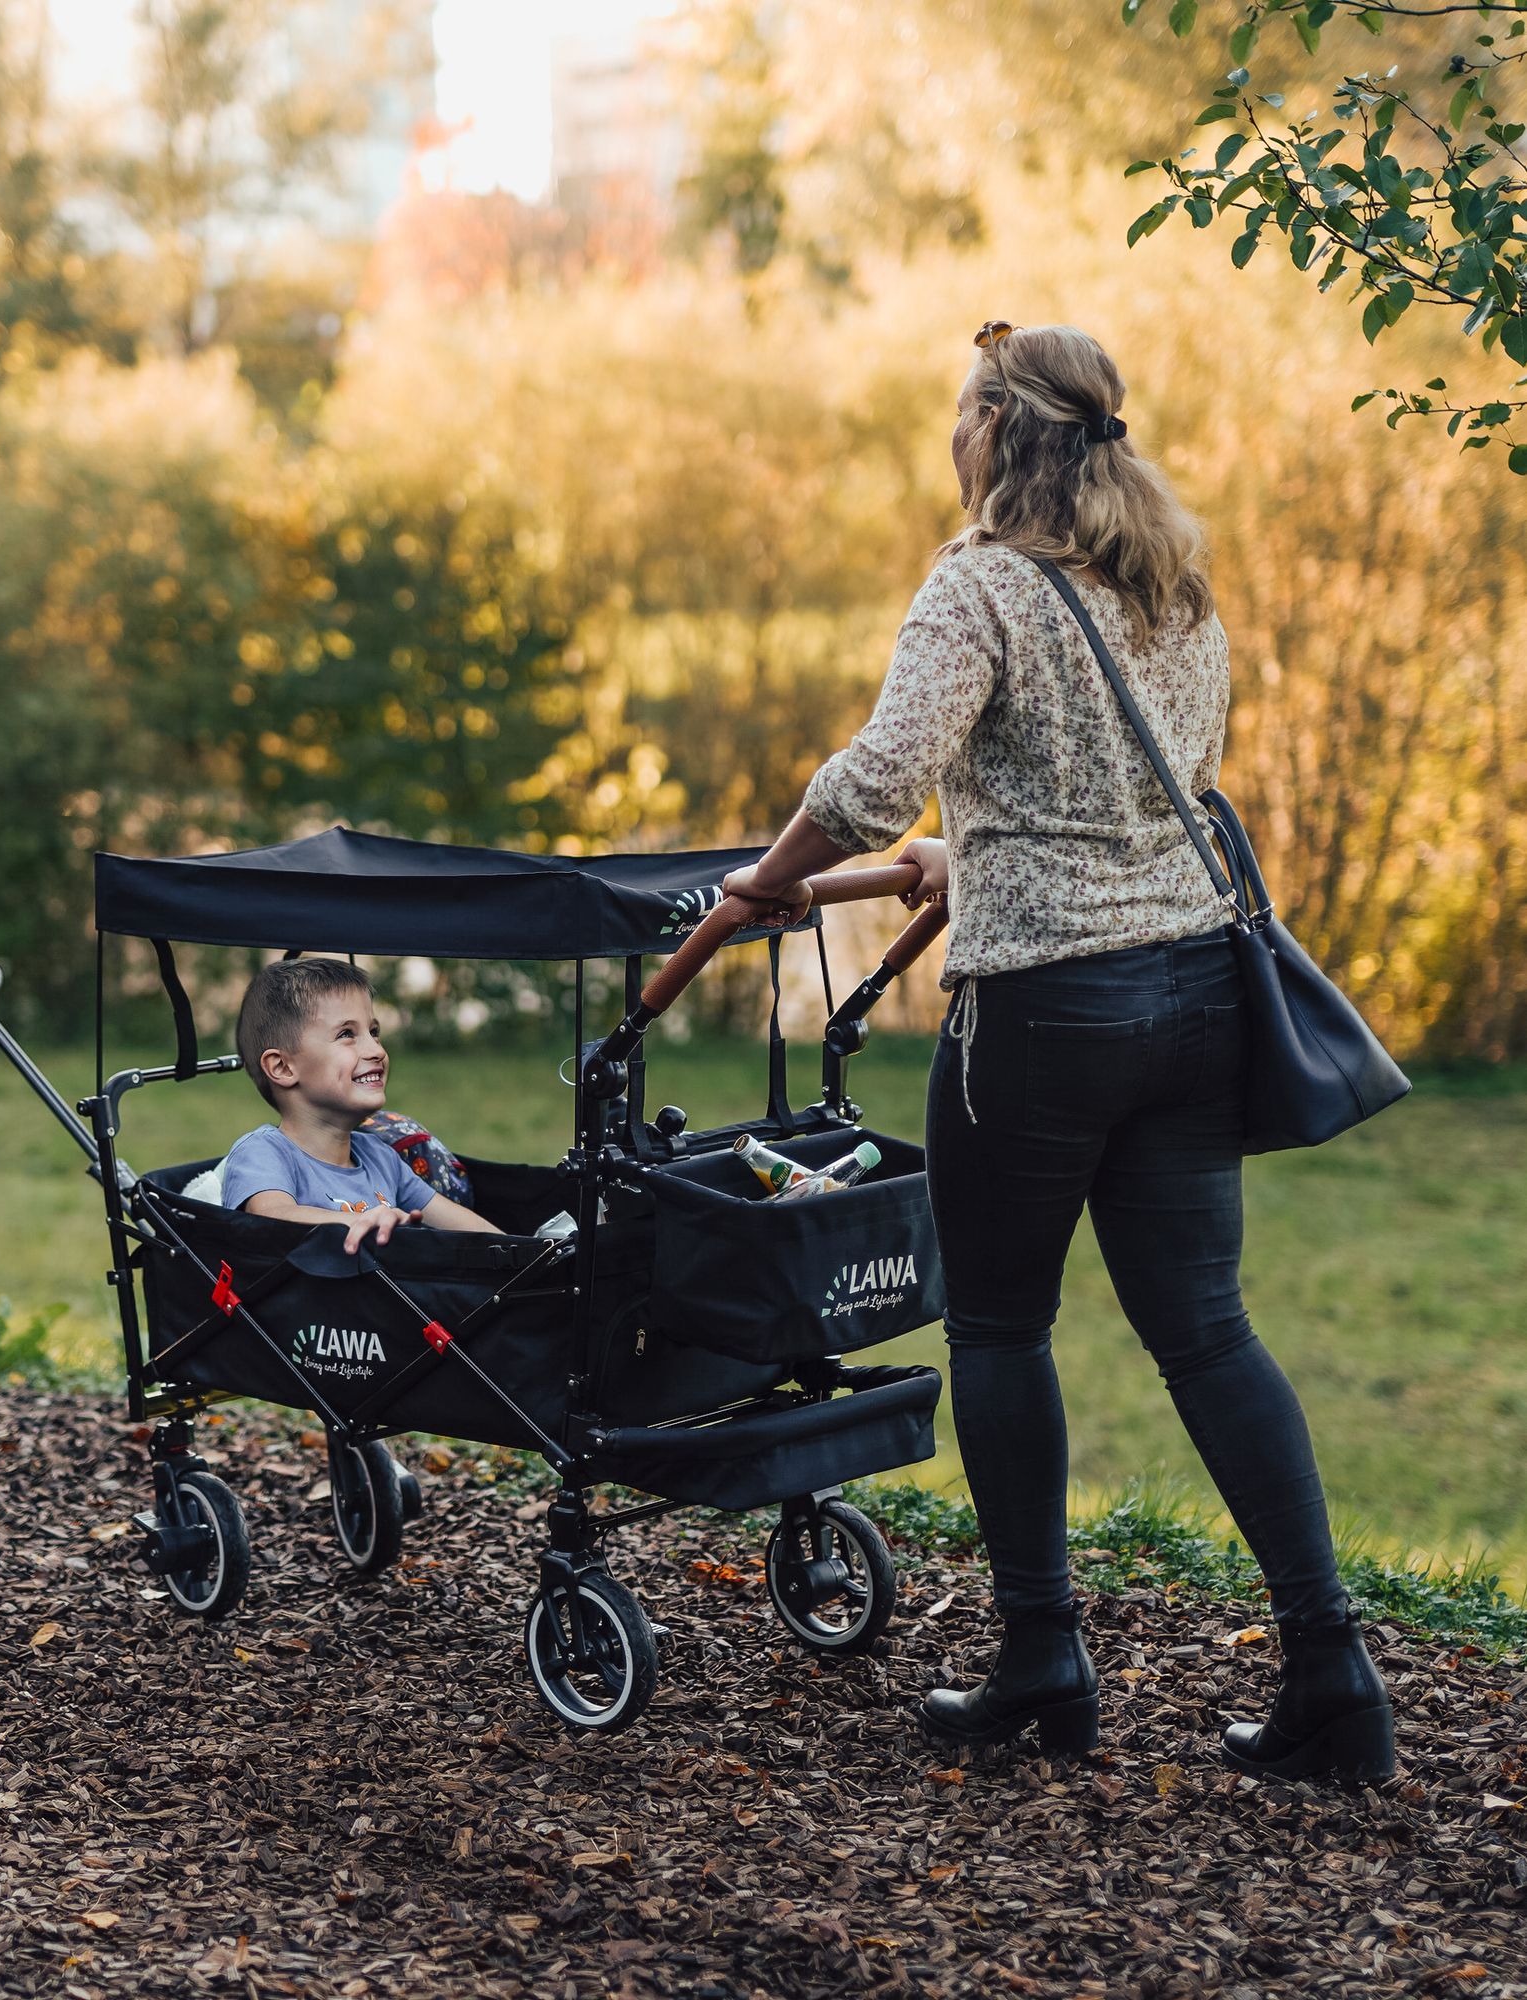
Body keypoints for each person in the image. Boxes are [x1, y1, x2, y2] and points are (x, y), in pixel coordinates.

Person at [721, 323, 1393, 1784]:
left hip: (1046, 1019)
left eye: (955, 417)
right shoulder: (1172, 586)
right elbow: (1151, 790)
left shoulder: (978, 585)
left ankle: (1040, 1657)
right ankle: (1331, 1673)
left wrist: (764, 884)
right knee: (1206, 1333)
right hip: (1194, 999)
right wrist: (981, 851)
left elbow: (874, 780)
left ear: (987, 431)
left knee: (998, 1328)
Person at [224, 958, 500, 1252]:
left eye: (374, 1032)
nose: (376, 1050)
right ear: (282, 1067)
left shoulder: (380, 1157)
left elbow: (468, 1227)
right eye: (346, 1034)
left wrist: (532, 1254)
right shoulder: (264, 1152)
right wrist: (356, 1221)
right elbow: (272, 1216)